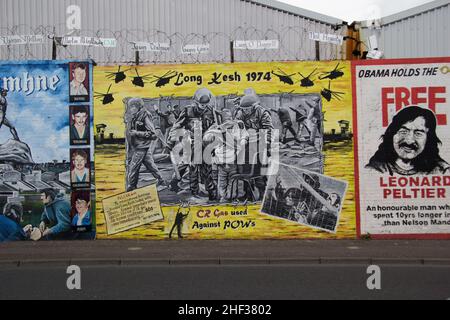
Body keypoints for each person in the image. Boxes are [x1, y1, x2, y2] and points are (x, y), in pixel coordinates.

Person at [168, 88, 221, 202]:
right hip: (191, 143)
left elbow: (214, 126)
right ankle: (194, 192)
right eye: (201, 104)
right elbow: (177, 126)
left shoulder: (210, 110)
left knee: (207, 170)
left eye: (205, 104)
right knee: (193, 168)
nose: (203, 106)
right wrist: (170, 141)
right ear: (196, 102)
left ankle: (212, 194)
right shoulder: (188, 111)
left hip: (205, 144)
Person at [366, 106, 450, 176]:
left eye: (418, 133)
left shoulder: (442, 172)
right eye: (403, 131)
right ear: (392, 134)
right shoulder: (374, 171)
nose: (409, 141)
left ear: (429, 139)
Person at [234, 94, 274, 200]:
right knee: (244, 169)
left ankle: (262, 195)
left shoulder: (262, 112)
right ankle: (248, 194)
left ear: (253, 106)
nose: (245, 111)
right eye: (243, 109)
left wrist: (267, 144)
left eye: (247, 109)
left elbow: (268, 130)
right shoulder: (240, 113)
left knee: (260, 170)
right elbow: (237, 127)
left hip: (260, 142)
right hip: (246, 143)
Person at [125, 98, 166, 191]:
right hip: (139, 146)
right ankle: (162, 181)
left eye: (133, 107)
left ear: (138, 107)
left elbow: (153, 134)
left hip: (142, 147)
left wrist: (137, 133)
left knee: (133, 168)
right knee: (150, 165)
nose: (131, 109)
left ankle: (132, 187)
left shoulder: (145, 115)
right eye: (130, 107)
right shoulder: (135, 116)